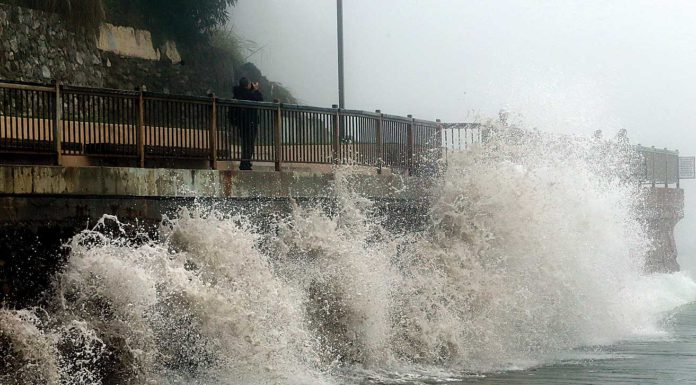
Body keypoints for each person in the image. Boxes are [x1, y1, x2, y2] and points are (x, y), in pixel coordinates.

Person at [232, 77, 263, 170]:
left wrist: (252, 90)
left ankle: (245, 163)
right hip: (250, 122)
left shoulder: (238, 93)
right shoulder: (248, 94)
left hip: (241, 122)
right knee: (249, 144)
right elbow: (259, 99)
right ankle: (245, 164)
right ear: (247, 85)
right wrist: (256, 90)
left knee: (245, 143)